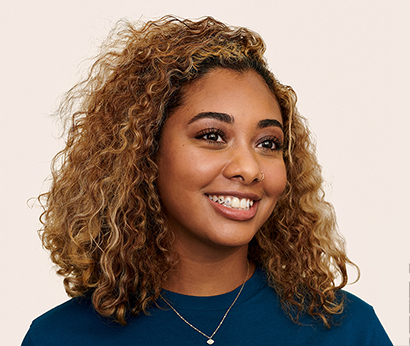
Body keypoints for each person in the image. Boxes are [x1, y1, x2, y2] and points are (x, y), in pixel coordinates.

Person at [22, 16, 392, 346]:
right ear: (145, 153)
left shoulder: (348, 331)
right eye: (213, 136)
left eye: (268, 143)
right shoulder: (59, 337)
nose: (248, 168)